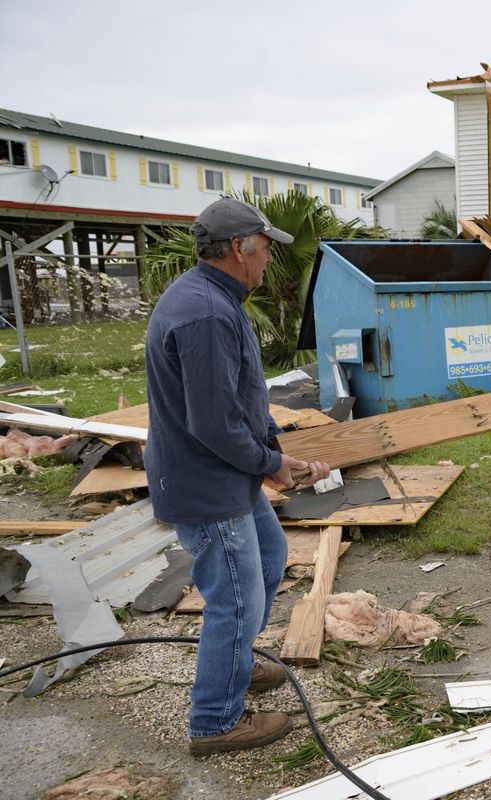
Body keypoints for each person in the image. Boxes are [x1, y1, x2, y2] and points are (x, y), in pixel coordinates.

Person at [144, 197, 330, 756]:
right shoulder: (205, 313)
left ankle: (235, 666)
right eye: (266, 246)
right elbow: (214, 421)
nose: (270, 257)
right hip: (208, 483)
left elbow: (239, 396)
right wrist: (273, 465)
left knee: (270, 561)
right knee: (236, 599)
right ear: (236, 248)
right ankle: (215, 722)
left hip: (224, 475)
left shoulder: (215, 298)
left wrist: (275, 441)